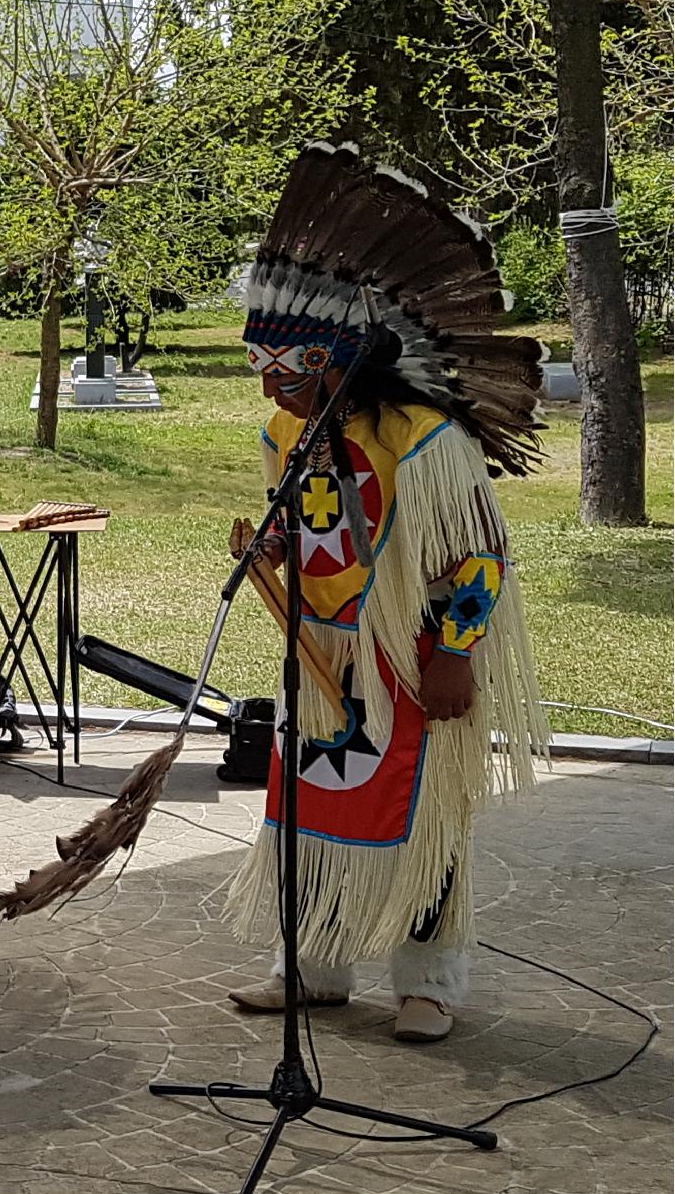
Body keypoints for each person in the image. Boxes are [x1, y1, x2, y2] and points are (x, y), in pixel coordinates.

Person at [224, 142, 547, 1043]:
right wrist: (277, 548)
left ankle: (430, 983)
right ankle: (314, 968)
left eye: (287, 363)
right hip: (321, 651)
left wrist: (452, 655)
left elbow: (477, 560)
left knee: (422, 821)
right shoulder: (287, 431)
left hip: (404, 652)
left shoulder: (425, 439)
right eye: (264, 363)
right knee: (308, 814)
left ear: (342, 358)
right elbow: (312, 521)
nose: (271, 379)